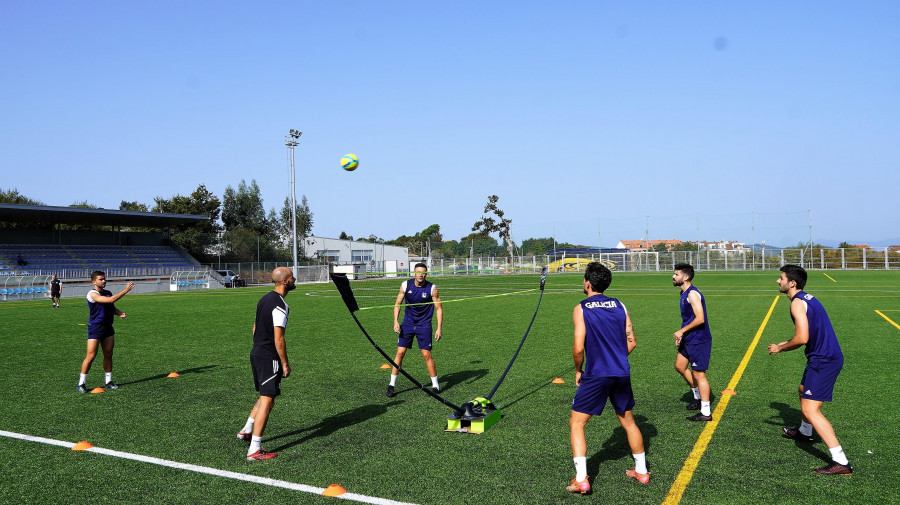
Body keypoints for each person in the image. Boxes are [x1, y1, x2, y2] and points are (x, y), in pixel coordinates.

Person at [567, 262, 648, 494]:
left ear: (588, 283)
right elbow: (631, 341)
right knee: (629, 422)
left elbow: (578, 348)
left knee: (577, 423)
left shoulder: (581, 308)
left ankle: (581, 478)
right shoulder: (620, 305)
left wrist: (578, 370)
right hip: (621, 372)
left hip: (597, 374)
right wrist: (617, 358)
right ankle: (641, 471)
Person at [767, 265, 852, 475]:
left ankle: (841, 461)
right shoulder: (806, 298)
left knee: (809, 410)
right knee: (803, 388)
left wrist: (781, 347)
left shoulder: (796, 303)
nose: (778, 281)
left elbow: (802, 338)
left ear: (792, 283)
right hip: (822, 357)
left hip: (824, 360)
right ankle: (805, 433)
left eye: (781, 278)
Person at [237, 267, 296, 461]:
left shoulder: (264, 299)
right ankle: (254, 450)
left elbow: (254, 327)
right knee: (268, 400)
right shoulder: (280, 305)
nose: (294, 278)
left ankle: (246, 430)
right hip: (269, 356)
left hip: (257, 352)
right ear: (285, 281)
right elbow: (279, 339)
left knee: (264, 395)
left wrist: (260, 345)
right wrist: (285, 364)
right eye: (292, 276)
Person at [387, 263, 443, 397]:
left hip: (424, 325)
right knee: (400, 353)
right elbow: (397, 304)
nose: (421, 275)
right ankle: (391, 385)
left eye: (423, 272)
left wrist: (439, 328)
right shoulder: (405, 285)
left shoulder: (432, 288)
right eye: (418, 272)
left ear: (426, 274)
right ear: (414, 273)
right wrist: (395, 321)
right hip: (407, 324)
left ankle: (435, 386)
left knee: (426, 355)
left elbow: (439, 308)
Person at [77, 271, 135, 393]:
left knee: (108, 354)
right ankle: (81, 384)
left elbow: (111, 307)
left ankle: (108, 381)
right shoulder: (92, 294)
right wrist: (126, 290)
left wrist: (119, 313)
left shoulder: (108, 293)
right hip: (95, 327)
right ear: (94, 281)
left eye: (104, 279)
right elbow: (110, 300)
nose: (104, 281)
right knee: (91, 356)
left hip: (108, 327)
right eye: (101, 279)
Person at [672, 263, 714, 422]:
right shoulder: (684, 294)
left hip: (699, 340)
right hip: (689, 338)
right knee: (680, 366)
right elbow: (690, 319)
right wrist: (683, 335)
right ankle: (697, 397)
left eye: (677, 274)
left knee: (699, 373)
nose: (673, 277)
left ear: (686, 277)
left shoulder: (692, 294)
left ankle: (706, 412)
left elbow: (700, 318)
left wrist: (681, 331)